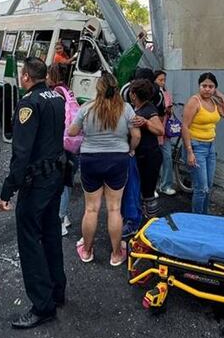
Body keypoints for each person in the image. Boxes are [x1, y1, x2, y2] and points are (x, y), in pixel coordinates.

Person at [0, 57, 68, 329]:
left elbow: (21, 153)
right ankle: (57, 291)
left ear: (25, 76)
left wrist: (6, 191)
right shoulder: (57, 97)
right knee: (50, 236)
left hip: (36, 182)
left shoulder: (28, 103)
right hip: (54, 177)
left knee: (29, 242)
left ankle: (42, 305)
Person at [66, 71, 139, 266]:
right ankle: (116, 254)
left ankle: (87, 251)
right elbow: (136, 136)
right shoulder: (126, 109)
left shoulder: (87, 108)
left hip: (91, 159)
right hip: (118, 159)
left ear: (98, 89)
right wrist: (130, 150)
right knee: (114, 209)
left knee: (91, 209)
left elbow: (71, 132)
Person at [181, 73, 224, 214]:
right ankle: (198, 218)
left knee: (208, 186)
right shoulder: (194, 101)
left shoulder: (214, 101)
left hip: (210, 147)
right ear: (199, 86)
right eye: (204, 86)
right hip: (196, 147)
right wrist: (189, 151)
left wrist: (221, 96)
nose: (207, 89)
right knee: (201, 188)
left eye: (211, 86)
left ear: (215, 88)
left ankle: (205, 215)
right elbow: (185, 126)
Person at [48, 63, 78, 237]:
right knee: (67, 180)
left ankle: (59, 219)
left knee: (60, 182)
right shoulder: (68, 91)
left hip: (62, 141)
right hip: (72, 142)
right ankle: (64, 215)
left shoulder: (56, 93)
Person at [129, 79, 165, 221]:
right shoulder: (137, 109)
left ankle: (152, 222)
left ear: (133, 95)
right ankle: (143, 219)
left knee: (148, 192)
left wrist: (146, 122)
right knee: (141, 190)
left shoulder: (149, 110)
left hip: (150, 157)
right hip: (142, 156)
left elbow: (160, 130)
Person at [154, 70, 177, 196]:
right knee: (153, 160)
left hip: (165, 132)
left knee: (167, 158)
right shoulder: (151, 94)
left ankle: (165, 185)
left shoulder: (166, 94)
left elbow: (170, 110)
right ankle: (152, 186)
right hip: (154, 130)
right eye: (160, 80)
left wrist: (169, 111)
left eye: (164, 80)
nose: (162, 83)